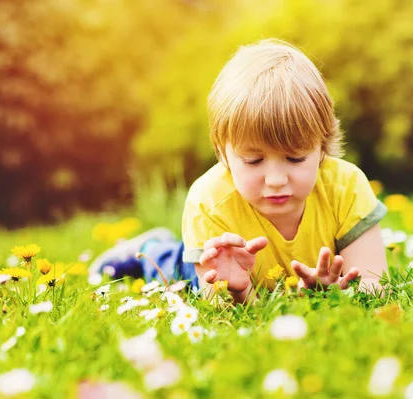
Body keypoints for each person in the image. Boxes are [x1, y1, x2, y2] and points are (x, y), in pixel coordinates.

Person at [91, 38, 387, 303]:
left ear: (322, 147)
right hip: (206, 268)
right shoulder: (209, 201)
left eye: (295, 158)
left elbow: (376, 287)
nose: (275, 180)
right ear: (223, 153)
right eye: (253, 161)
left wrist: (333, 295)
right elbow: (219, 307)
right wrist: (239, 292)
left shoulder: (346, 188)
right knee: (174, 270)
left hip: (293, 280)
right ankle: (152, 247)